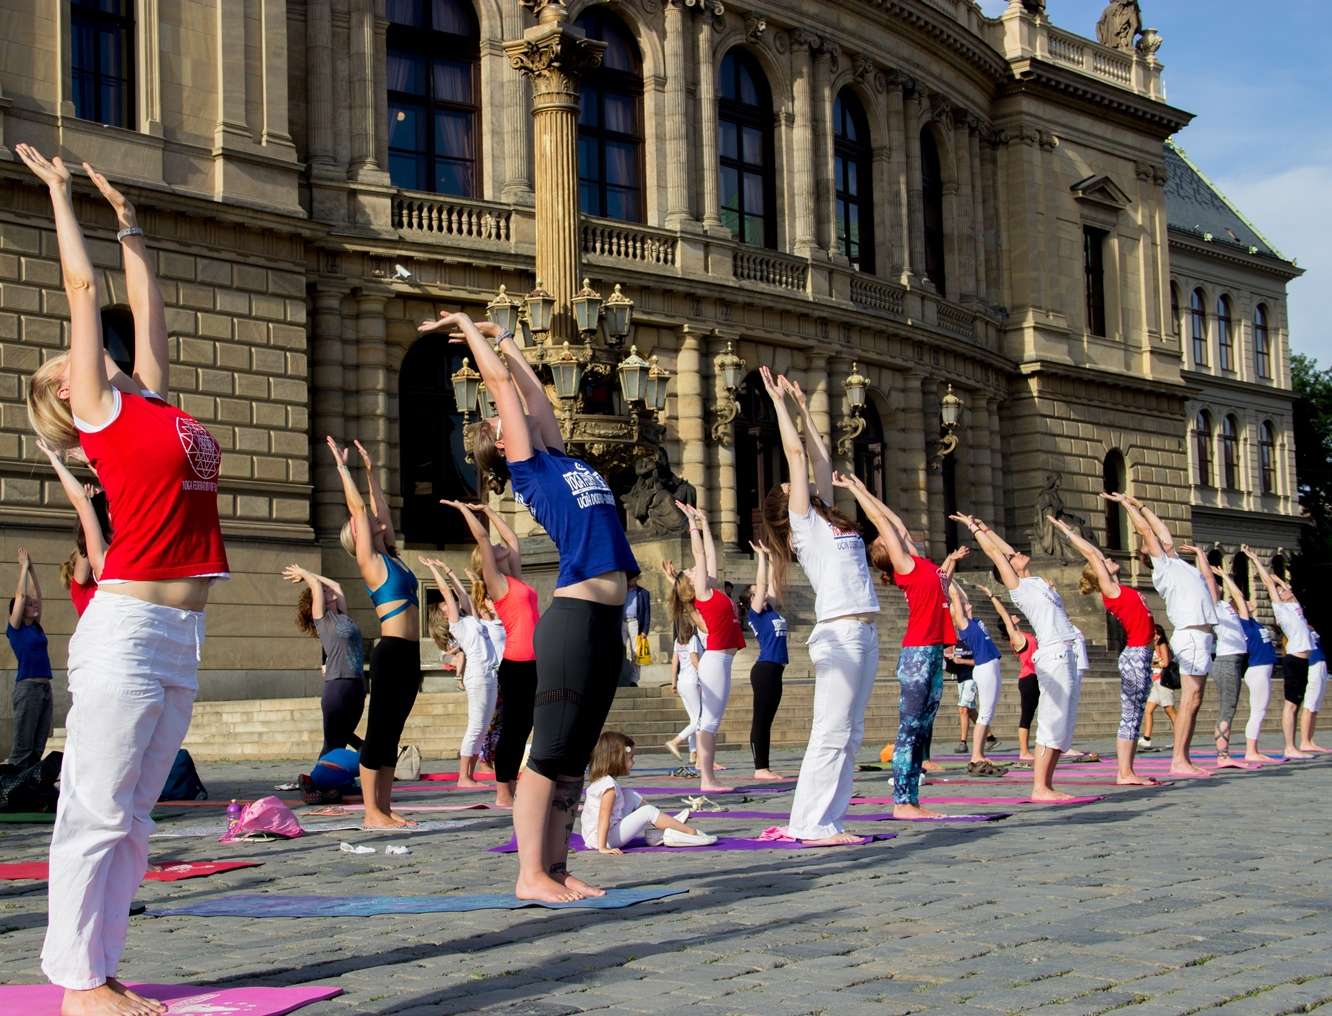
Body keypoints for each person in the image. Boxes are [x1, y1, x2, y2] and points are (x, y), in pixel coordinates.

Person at [20, 148, 229, 1016]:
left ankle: (100, 970)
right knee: (97, 815)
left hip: (178, 634)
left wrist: (131, 224)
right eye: (68, 367)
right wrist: (62, 198)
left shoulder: (148, 400)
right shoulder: (102, 417)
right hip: (128, 632)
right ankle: (76, 987)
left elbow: (147, 309)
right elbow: (81, 292)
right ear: (69, 398)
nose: (83, 358)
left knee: (134, 822)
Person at [432, 311, 636, 904]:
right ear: (502, 443)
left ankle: (556, 864)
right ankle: (529, 874)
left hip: (604, 622)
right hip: (572, 623)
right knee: (547, 755)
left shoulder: (561, 458)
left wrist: (511, 342)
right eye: (502, 421)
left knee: (574, 758)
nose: (510, 414)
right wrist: (473, 331)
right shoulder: (528, 471)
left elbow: (532, 396)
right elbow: (502, 388)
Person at [758, 369, 880, 842]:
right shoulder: (802, 526)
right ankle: (810, 823)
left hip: (862, 629)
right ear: (784, 508)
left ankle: (827, 818)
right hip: (839, 632)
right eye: (792, 487)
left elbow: (820, 458)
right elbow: (795, 455)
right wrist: (777, 403)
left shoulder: (827, 517)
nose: (801, 484)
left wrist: (807, 411)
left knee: (850, 732)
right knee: (831, 730)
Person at [836, 471, 949, 819]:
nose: (896, 540)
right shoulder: (906, 568)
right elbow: (882, 522)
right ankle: (902, 802)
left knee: (923, 728)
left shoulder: (918, 564)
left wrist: (861, 487)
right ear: (887, 555)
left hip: (931, 652)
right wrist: (857, 492)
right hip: (916, 653)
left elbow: (895, 523)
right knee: (910, 730)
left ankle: (912, 799)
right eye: (887, 543)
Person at [327, 435, 420, 828]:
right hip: (392, 652)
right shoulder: (371, 563)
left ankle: (384, 806)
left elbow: (377, 508)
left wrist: (370, 471)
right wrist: (343, 470)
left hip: (409, 654)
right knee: (379, 731)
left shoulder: (393, 557)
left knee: (392, 733)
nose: (375, 520)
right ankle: (371, 812)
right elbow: (360, 508)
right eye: (365, 524)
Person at [955, 511, 1080, 802]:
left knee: (1064, 722)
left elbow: (1007, 551)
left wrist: (987, 525)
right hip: (1054, 654)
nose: (1018, 553)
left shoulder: (1033, 579)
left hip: (1067, 651)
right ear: (1007, 572)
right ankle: (1040, 786)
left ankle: (1047, 784)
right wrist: (974, 529)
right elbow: (997, 554)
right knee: (1052, 719)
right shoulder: (1019, 589)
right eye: (1012, 559)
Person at [1108, 493, 1216, 777]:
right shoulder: (1164, 569)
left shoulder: (1177, 562)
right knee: (1190, 699)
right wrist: (1128, 507)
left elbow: (1161, 531)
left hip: (1202, 635)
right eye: (1152, 544)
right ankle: (1179, 760)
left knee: (1195, 701)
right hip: (1190, 634)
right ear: (1149, 556)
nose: (1159, 540)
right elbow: (1147, 531)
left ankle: (1183, 758)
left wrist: (1141, 505)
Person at [444, 500, 539, 807]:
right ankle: (503, 792)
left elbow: (511, 540)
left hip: (536, 661)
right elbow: (485, 540)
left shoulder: (516, 579)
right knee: (513, 730)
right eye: (494, 548)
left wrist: (490, 510)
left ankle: (513, 786)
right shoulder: (496, 583)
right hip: (516, 663)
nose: (501, 546)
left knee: (525, 727)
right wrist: (466, 513)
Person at [1050, 514, 1156, 785]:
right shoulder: (1112, 592)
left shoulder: (1118, 588)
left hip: (1141, 655)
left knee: (1134, 714)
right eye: (1104, 562)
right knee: (1130, 715)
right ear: (1100, 574)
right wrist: (1066, 532)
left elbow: (1094, 553)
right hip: (1135, 655)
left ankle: (1128, 770)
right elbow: (1091, 554)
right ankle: (1124, 772)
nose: (1107, 559)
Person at [667, 501, 744, 793]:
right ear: (690, 582)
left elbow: (709, 554)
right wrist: (691, 524)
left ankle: (707, 776)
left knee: (710, 720)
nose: (693, 568)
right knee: (709, 721)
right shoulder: (702, 592)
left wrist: (705, 522)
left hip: (721, 661)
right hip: (714, 661)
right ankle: (707, 778)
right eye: (690, 571)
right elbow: (699, 554)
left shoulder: (710, 587)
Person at [421, 557, 499, 788]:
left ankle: (470, 775)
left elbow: (463, 596)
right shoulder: (458, 624)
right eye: (446, 605)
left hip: (490, 673)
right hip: (477, 675)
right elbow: (446, 592)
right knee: (476, 725)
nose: (450, 604)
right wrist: (435, 570)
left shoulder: (470, 619)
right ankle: (464, 777)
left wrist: (449, 569)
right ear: (445, 615)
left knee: (483, 726)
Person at [283, 564, 365, 764]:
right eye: (324, 592)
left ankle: (334, 777)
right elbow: (316, 586)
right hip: (337, 685)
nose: (328, 591)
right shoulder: (323, 619)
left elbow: (336, 584)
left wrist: (311, 575)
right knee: (333, 742)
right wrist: (305, 575)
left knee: (342, 737)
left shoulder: (343, 616)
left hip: (357, 683)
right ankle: (318, 781)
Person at [581, 732, 715, 851]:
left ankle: (667, 822)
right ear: (617, 759)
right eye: (630, 758)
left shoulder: (602, 780)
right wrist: (603, 847)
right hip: (603, 839)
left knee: (629, 794)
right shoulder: (609, 786)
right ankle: (690, 832)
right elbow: (603, 817)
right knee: (648, 811)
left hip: (598, 835)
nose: (633, 762)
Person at [1243, 547, 1313, 759]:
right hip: (1293, 660)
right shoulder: (1282, 610)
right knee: (1291, 705)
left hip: (1303, 661)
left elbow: (1287, 588)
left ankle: (1294, 746)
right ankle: (1289, 747)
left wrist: (1282, 584)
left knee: (1297, 704)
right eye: (1281, 592)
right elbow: (1268, 584)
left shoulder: (1295, 606)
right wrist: (1256, 559)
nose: (1284, 591)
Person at [39, 438, 111, 618]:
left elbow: (124, 494)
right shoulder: (85, 581)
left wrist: (91, 463)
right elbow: (82, 503)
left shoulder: (107, 558)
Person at [944, 579, 1004, 775]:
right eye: (963, 604)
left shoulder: (973, 622)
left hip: (989, 664)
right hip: (985, 666)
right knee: (985, 712)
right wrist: (946, 577)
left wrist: (952, 582)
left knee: (987, 712)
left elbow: (961, 596)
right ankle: (976, 755)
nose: (967, 603)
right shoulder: (964, 625)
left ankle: (978, 753)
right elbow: (955, 596)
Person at [978, 583, 1039, 762]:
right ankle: (1023, 751)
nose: (1013, 616)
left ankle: (1042, 747)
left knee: (1037, 713)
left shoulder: (1024, 633)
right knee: (1027, 715)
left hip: (1037, 677)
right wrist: (991, 596)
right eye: (1010, 617)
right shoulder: (1016, 637)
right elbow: (1004, 614)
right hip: (1029, 679)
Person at [745, 540, 789, 780]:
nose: (761, 594)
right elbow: (762, 584)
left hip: (776, 670)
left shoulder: (771, 610)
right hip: (764, 670)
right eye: (755, 592)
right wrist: (760, 557)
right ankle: (760, 768)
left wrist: (771, 557)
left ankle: (764, 766)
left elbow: (771, 584)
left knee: (768, 719)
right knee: (761, 718)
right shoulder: (756, 613)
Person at [7, 549, 54, 769]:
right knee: (23, 748)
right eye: (28, 605)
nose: (32, 605)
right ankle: (8, 793)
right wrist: (23, 568)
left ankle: (27, 792)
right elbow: (22, 596)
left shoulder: (36, 628)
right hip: (27, 689)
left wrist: (33, 569)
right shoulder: (16, 629)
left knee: (37, 748)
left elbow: (37, 596)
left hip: (45, 689)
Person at [1207, 566, 1251, 768]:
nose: (1217, 586)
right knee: (1227, 708)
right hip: (1226, 661)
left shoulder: (1225, 606)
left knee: (1229, 708)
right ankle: (1222, 755)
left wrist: (1225, 576)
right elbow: (1209, 582)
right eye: (1214, 585)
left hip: (1235, 661)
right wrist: (1202, 559)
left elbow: (1240, 598)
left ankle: (1223, 754)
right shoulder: (1212, 606)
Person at [662, 581, 704, 767]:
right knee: (701, 719)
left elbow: (674, 662)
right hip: (693, 681)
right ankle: (675, 741)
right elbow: (695, 661)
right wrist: (707, 673)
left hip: (681, 681)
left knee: (693, 718)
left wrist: (672, 683)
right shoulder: (694, 640)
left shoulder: (678, 642)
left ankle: (694, 754)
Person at [1237, 604, 1278, 763]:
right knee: (1258, 712)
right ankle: (1251, 751)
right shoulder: (1244, 622)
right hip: (1258, 669)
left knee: (1259, 711)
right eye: (1244, 602)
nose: (1249, 602)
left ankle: (1252, 750)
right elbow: (1239, 600)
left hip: (1263, 669)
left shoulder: (1255, 622)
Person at [1141, 624, 1177, 749]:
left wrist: (1150, 663)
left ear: (1161, 635)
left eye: (1157, 633)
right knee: (1148, 710)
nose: (1155, 636)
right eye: (1153, 633)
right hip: (1154, 682)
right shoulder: (1152, 647)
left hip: (1163, 682)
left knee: (1170, 710)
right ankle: (1146, 738)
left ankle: (1179, 738)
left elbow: (1165, 662)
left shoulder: (1162, 645)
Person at [621, 571, 650, 687]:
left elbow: (647, 613)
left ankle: (634, 680)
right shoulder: (620, 591)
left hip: (635, 623)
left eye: (632, 578)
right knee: (620, 651)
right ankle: (620, 677)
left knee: (636, 653)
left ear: (637, 578)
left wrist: (645, 630)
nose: (630, 580)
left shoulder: (643, 593)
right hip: (621, 623)